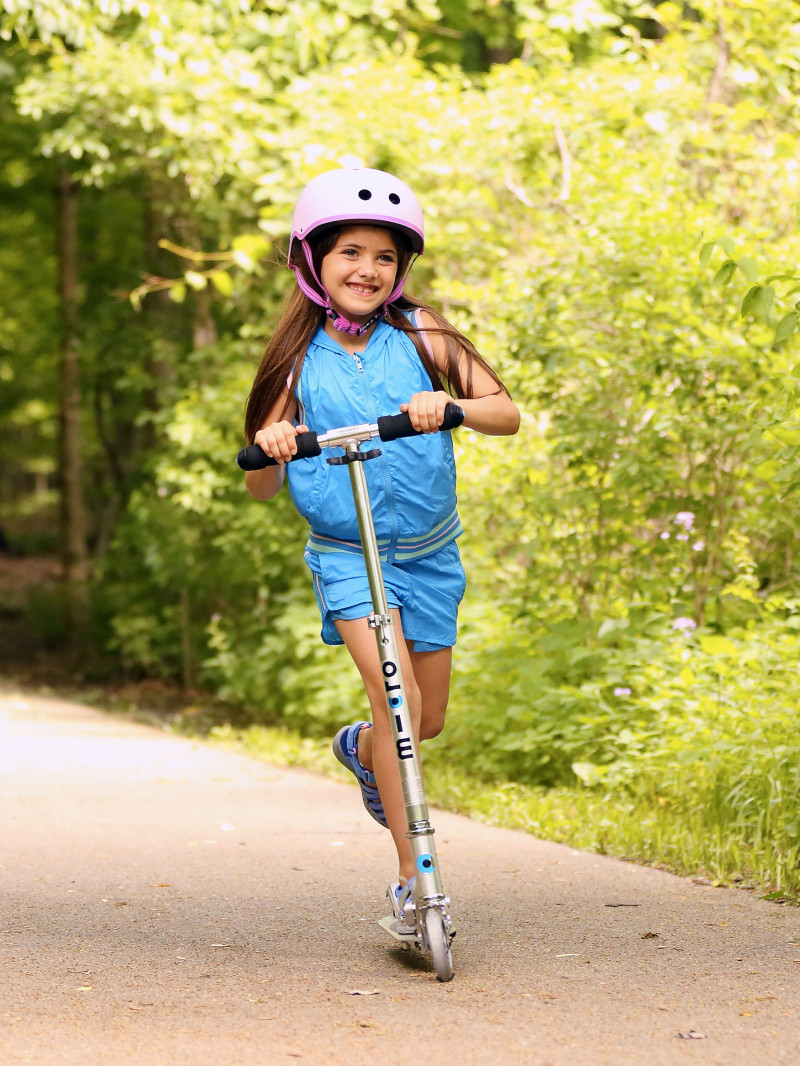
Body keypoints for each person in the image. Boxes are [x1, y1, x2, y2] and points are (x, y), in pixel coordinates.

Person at [243, 168, 519, 925]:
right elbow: (260, 488)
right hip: (347, 554)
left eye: (385, 258)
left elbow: (506, 413)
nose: (368, 269)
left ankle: (360, 747)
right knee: (400, 704)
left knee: (423, 720)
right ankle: (414, 882)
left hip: (429, 551)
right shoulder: (295, 363)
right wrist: (273, 448)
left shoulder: (422, 332)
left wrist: (451, 404)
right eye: (350, 253)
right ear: (313, 261)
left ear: (401, 271)